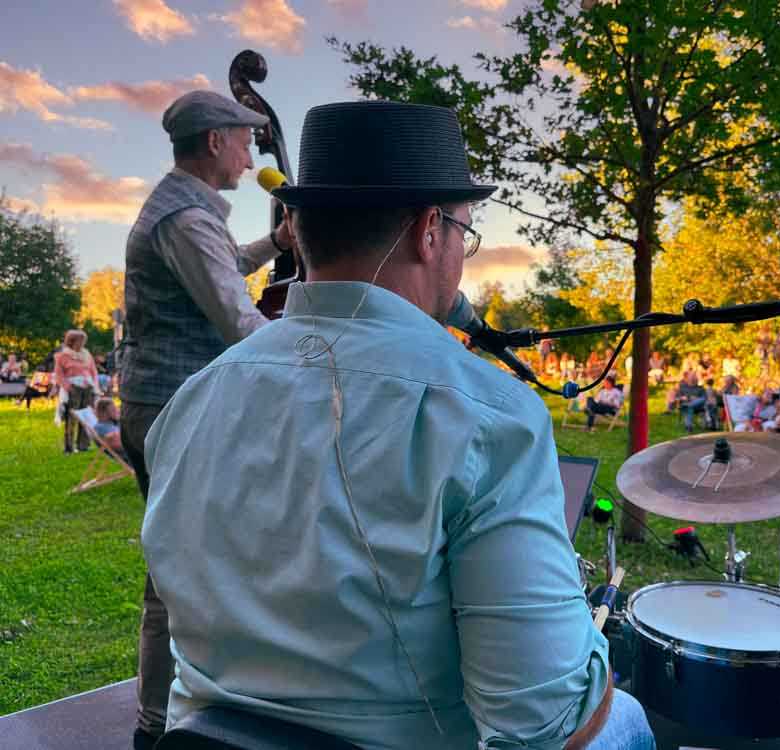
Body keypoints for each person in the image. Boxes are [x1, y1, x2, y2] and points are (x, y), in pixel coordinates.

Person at [141, 101, 653, 750]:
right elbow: (546, 721)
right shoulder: (490, 418)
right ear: (428, 232)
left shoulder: (191, 401)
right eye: (463, 234)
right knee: (626, 721)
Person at [119, 90, 294, 750]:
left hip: (159, 401)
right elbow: (239, 323)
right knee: (173, 579)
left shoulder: (186, 212)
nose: (252, 155)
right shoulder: (186, 220)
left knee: (175, 572)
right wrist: (316, 347)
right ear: (215, 141)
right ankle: (157, 729)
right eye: (244, 140)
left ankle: (166, 716)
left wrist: (271, 244)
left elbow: (216, 271)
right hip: (170, 407)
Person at [53, 330, 101, 454]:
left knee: (86, 416)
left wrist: (95, 385)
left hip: (88, 388)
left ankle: (83, 445)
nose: (83, 343)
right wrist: (67, 386)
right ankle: (69, 447)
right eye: (81, 341)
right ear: (72, 341)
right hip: (73, 388)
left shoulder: (87, 354)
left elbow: (94, 371)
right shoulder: (63, 356)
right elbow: (59, 374)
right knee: (72, 417)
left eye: (84, 341)